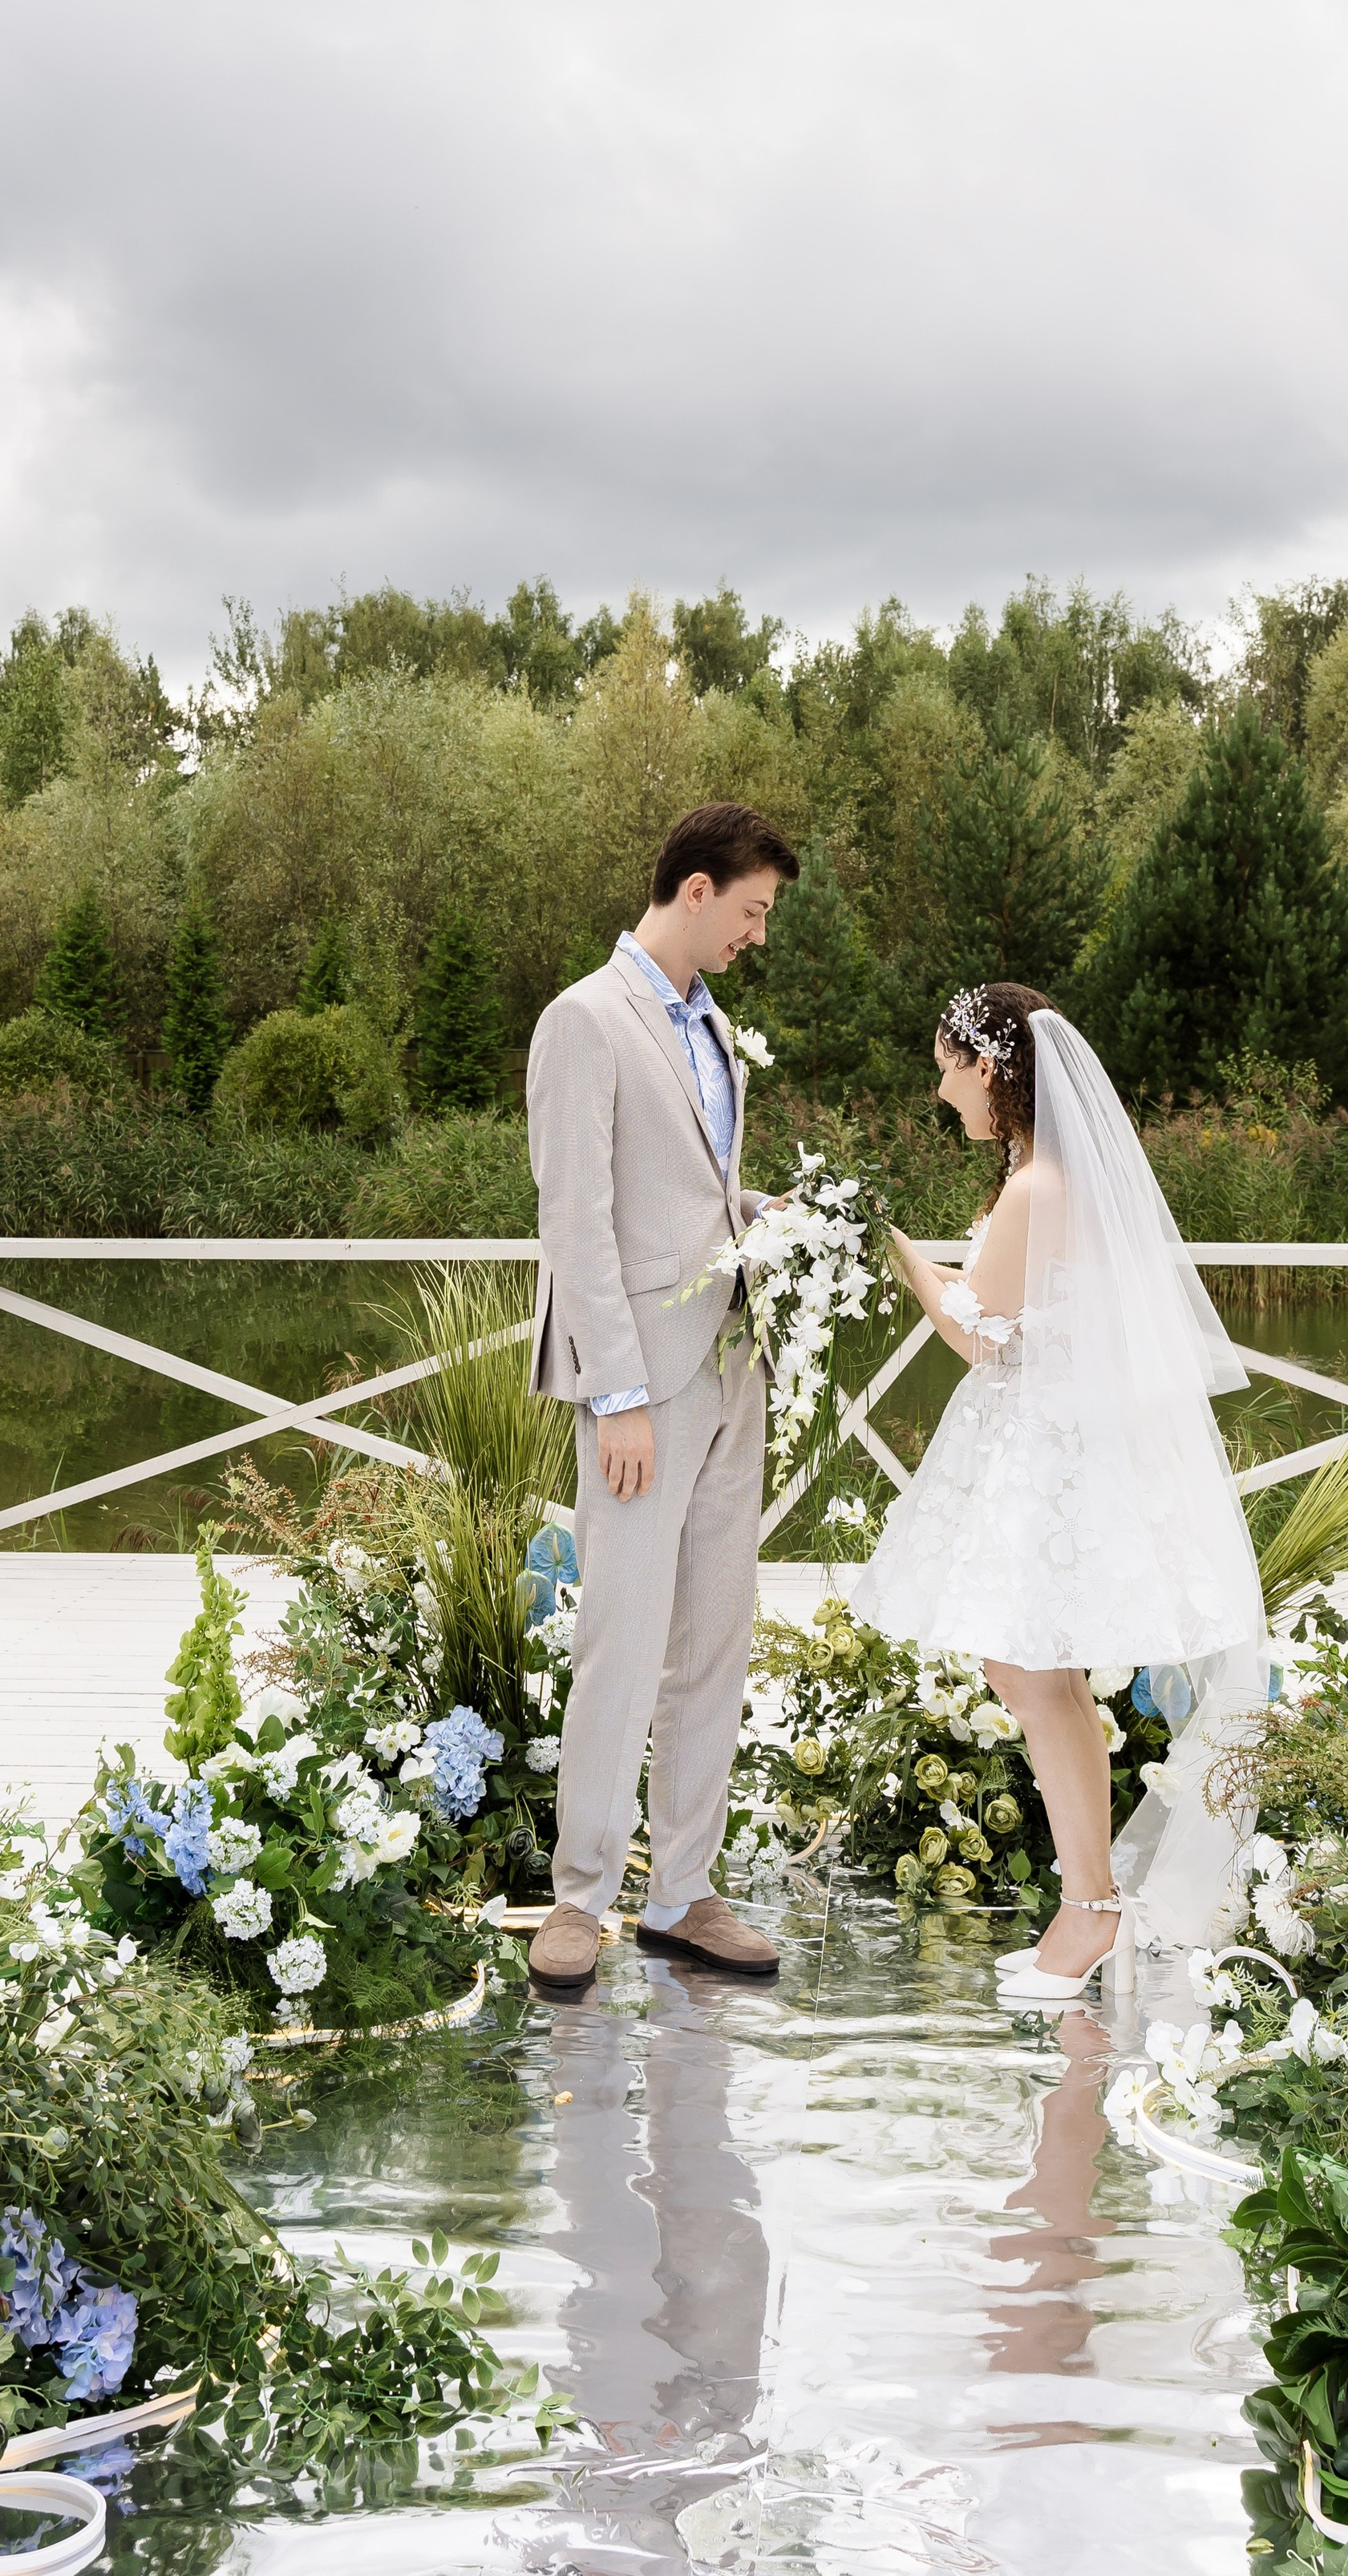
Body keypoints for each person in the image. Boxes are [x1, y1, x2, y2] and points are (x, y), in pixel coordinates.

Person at [853, 981, 1268, 2000]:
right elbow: (1011, 1305)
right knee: (1038, 1671)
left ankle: (1088, 1909)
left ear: (991, 1068)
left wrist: (896, 1249)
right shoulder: (1043, 1178)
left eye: (948, 1067)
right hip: (1048, 1440)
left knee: (1032, 1670)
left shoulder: (1039, 1187)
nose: (941, 1089)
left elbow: (974, 1335)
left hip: (1040, 1448)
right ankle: (1091, 1904)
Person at [524, 800, 801, 1995]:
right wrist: (618, 1394)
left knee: (713, 1646)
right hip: (642, 1381)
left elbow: (691, 1195)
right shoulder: (584, 1022)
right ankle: (579, 1898)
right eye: (751, 911)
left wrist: (768, 1226)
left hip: (734, 1368)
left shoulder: (715, 1030)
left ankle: (683, 1891)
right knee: (621, 1644)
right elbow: (575, 1220)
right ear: (696, 890)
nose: (756, 935)